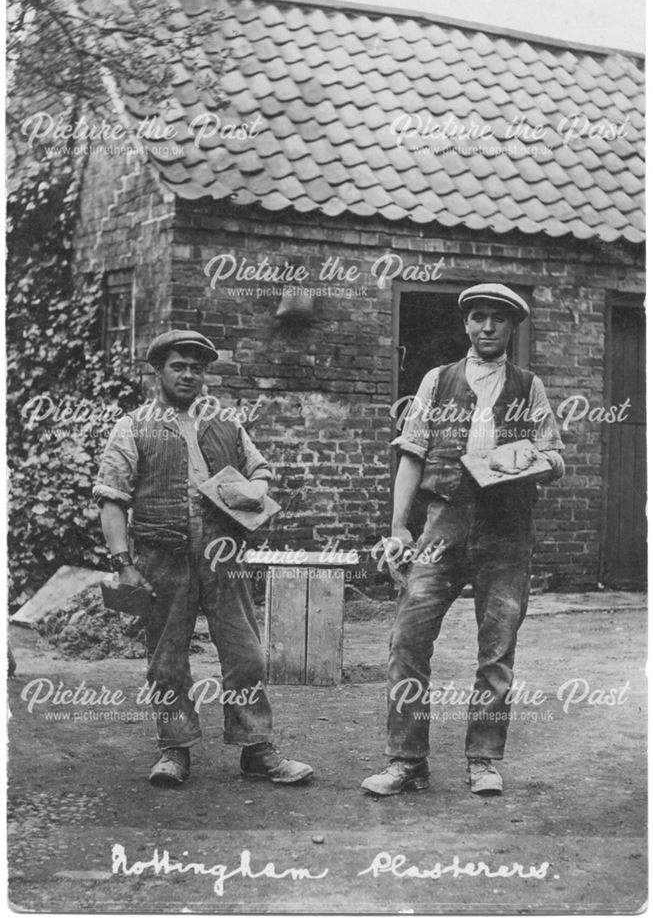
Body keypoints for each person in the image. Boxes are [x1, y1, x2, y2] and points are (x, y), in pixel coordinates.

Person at [362, 283, 564, 797]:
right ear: (466, 324)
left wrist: (525, 463)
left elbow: (554, 457)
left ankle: (484, 759)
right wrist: (398, 527)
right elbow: (412, 452)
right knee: (408, 639)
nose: (487, 327)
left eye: (498, 318)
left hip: (507, 528)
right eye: (478, 317)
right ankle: (407, 760)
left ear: (513, 327)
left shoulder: (529, 386)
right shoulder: (438, 380)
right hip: (442, 523)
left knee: (496, 649)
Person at [94, 329, 313, 787]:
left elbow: (259, 471)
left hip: (223, 555)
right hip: (162, 556)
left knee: (246, 654)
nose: (189, 374)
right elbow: (112, 498)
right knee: (167, 659)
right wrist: (123, 563)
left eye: (197, 367)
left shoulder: (227, 422)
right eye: (179, 365)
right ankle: (174, 750)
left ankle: (256, 749)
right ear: (158, 371)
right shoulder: (134, 425)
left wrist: (256, 490)